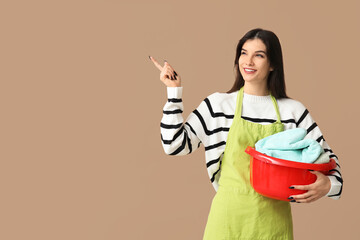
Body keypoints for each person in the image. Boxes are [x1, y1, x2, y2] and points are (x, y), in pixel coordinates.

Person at [150, 28, 343, 240]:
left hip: (273, 226)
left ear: (273, 64)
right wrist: (174, 93)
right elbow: (174, 144)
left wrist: (328, 185)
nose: (248, 61)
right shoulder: (218, 105)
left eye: (258, 55)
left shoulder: (292, 111)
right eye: (244, 53)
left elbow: (329, 161)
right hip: (226, 224)